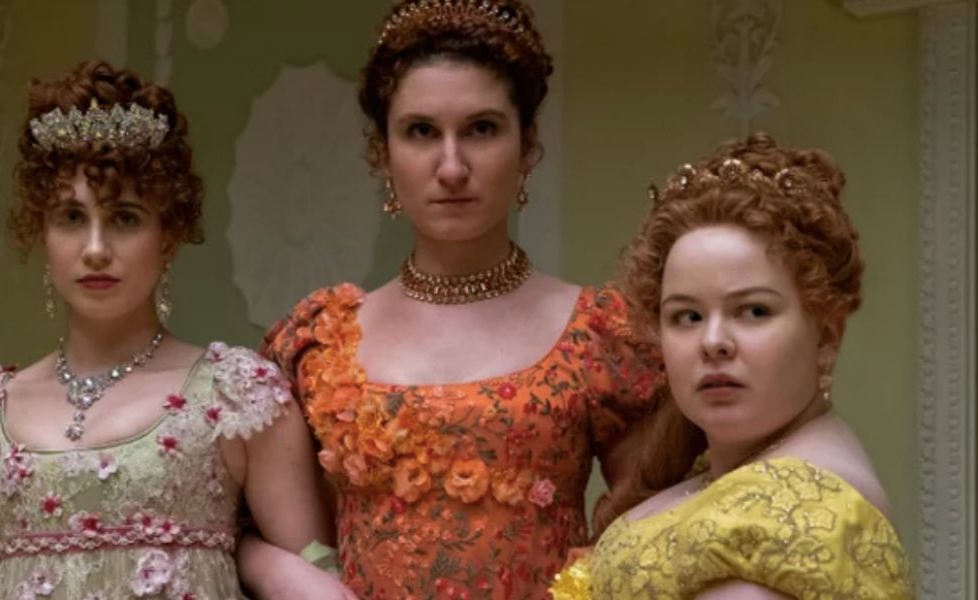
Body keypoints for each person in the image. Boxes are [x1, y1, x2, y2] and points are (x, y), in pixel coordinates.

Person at [237, 2, 684, 598]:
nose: (451, 167)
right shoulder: (316, 340)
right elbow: (236, 528)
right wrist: (278, 570)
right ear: (382, 153)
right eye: (421, 132)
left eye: (481, 129)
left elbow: (656, 542)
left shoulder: (600, 334)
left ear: (527, 146)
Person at [0, 60, 337, 599]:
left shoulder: (239, 398)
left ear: (168, 235)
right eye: (71, 218)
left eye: (125, 217)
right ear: (41, 233)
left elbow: (318, 587)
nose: (95, 249)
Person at [550, 133, 913, 599]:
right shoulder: (727, 469)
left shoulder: (795, 507)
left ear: (826, 335)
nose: (713, 342)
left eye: (753, 311)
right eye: (688, 316)